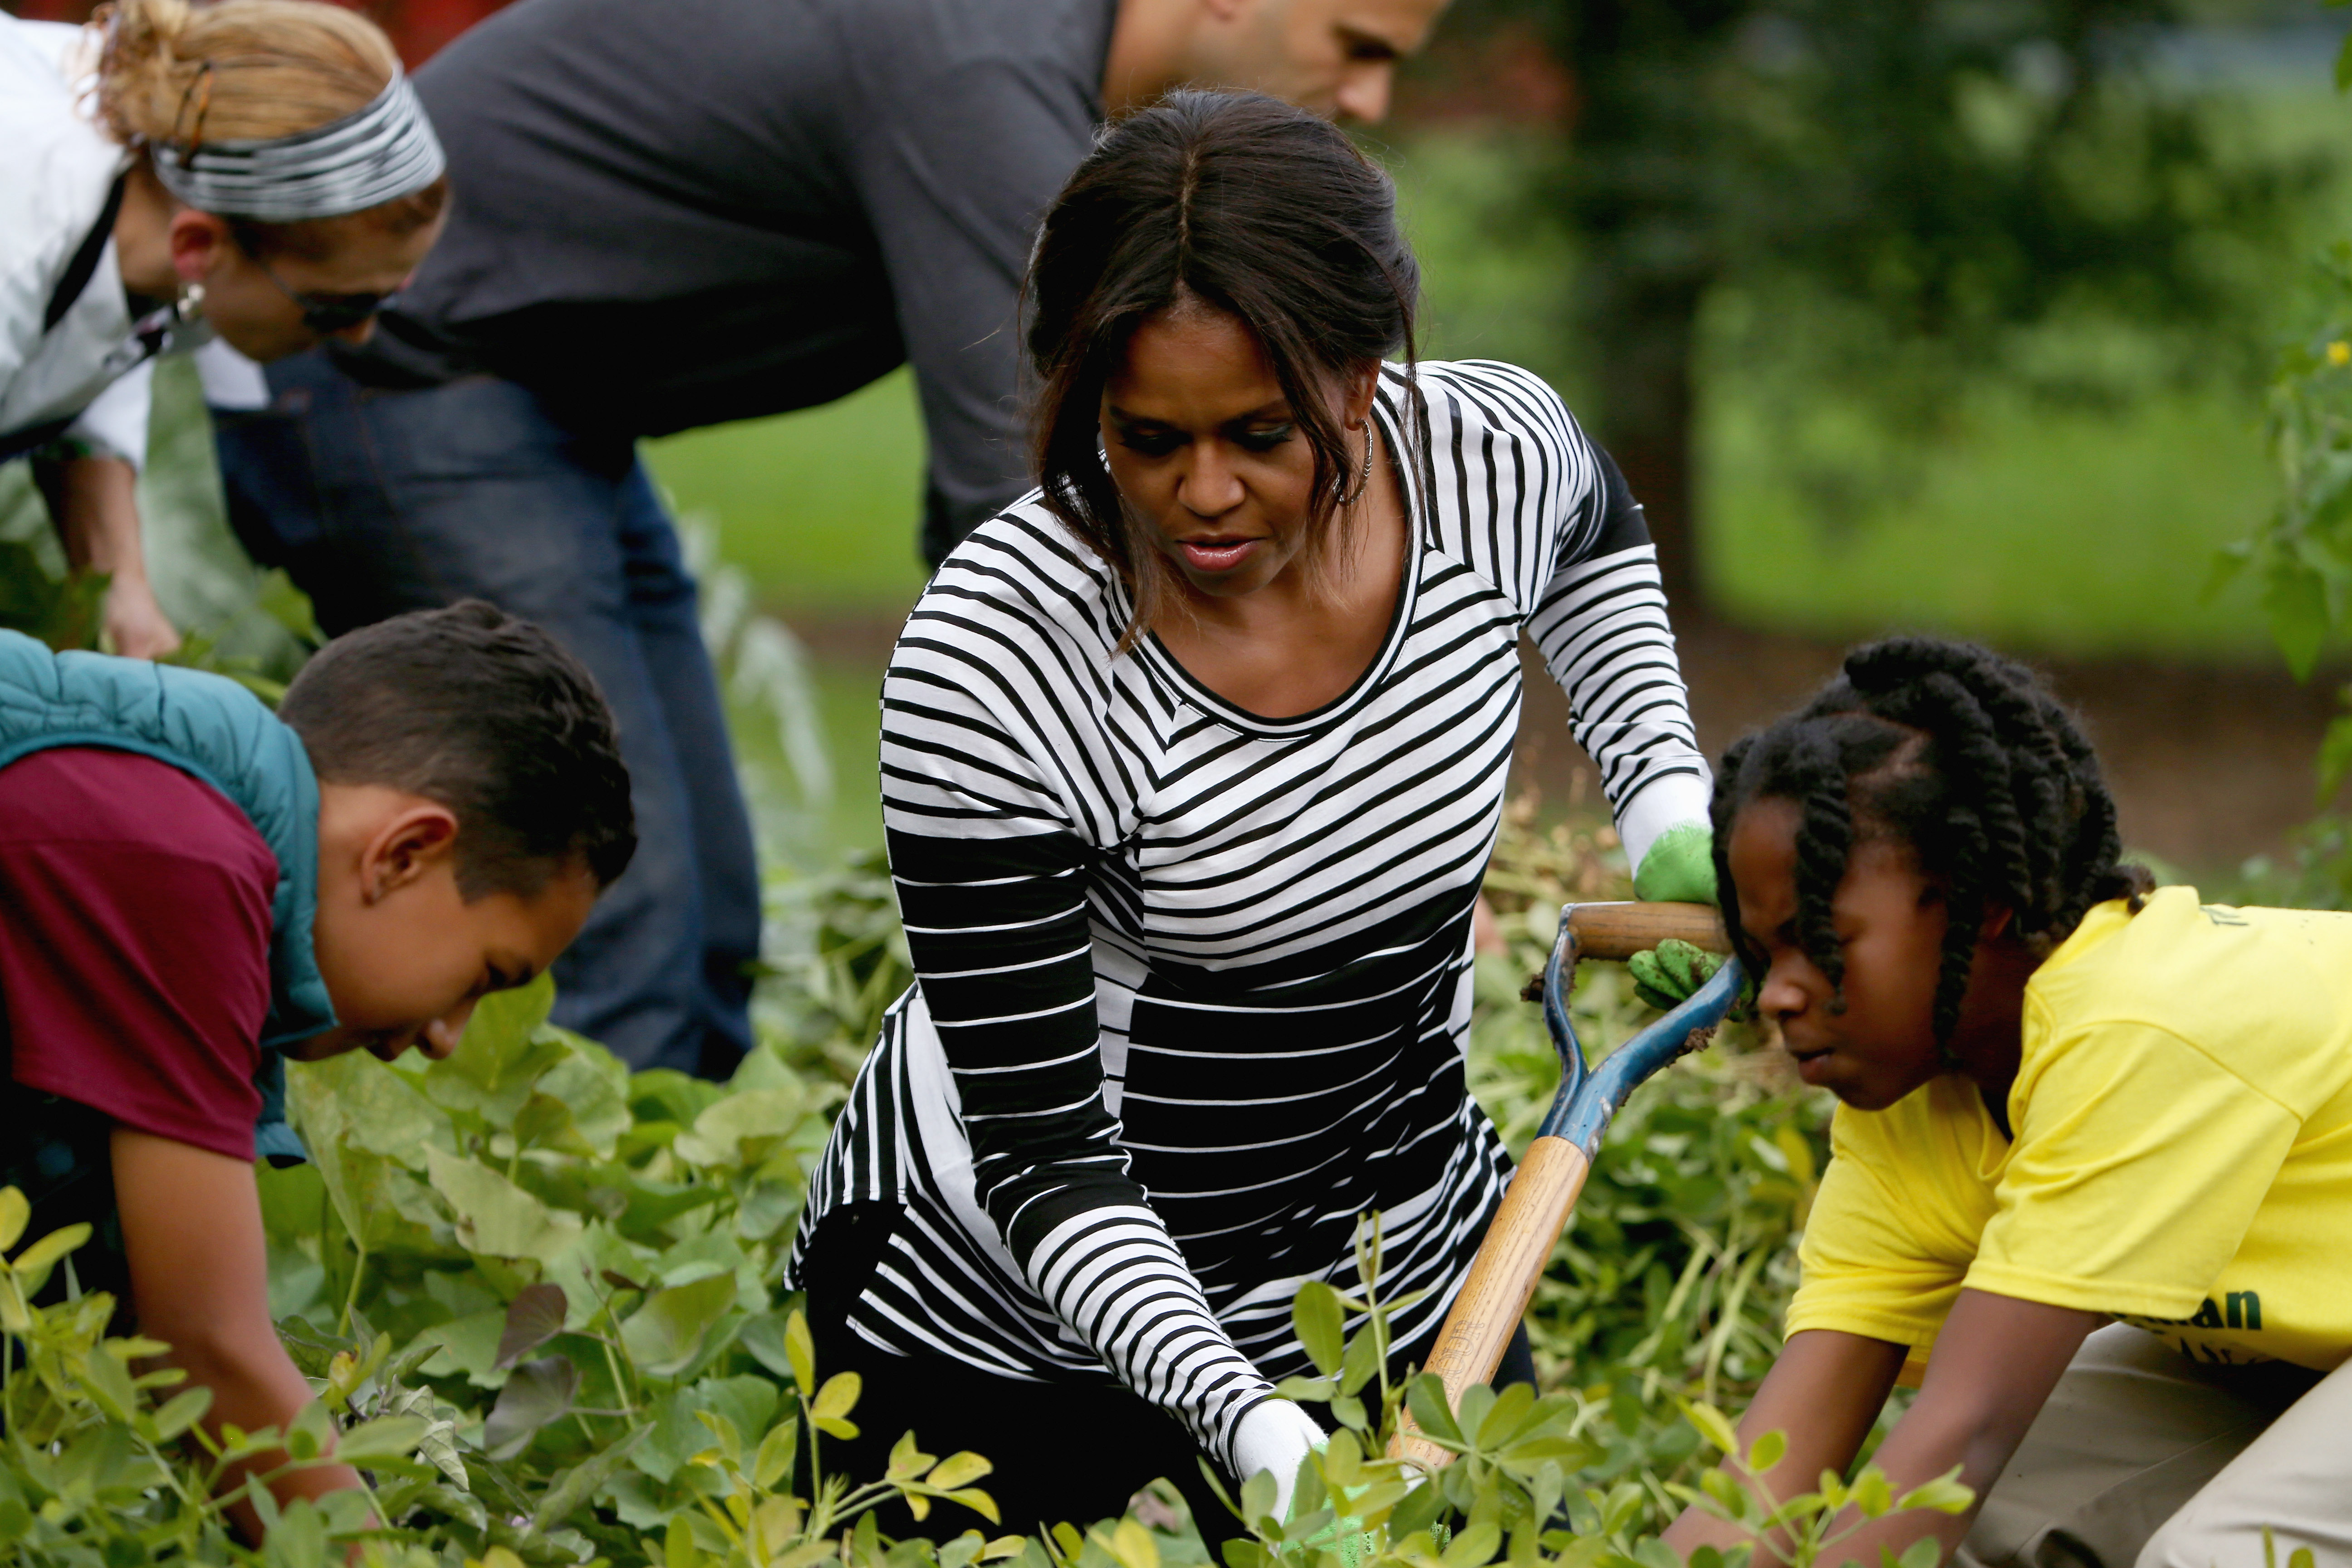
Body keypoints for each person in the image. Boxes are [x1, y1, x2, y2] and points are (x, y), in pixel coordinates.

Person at [200, 0, 1463, 1080]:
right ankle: (538, 1340)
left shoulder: (1030, 77)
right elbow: (1021, 506)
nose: (1368, 92)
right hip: (377, 358)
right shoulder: (986, 75)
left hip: (545, 405)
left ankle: (658, 1296)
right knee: (613, 927)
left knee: (703, 928)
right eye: (1357, 41)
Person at [785, 90, 1715, 1539]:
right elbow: (1042, 1152)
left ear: (1359, 373)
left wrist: (1666, 802)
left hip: (1398, 1268)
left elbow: (1594, 543)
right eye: (1146, 438)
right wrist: (1248, 1424)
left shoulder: (1489, 453)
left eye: (1264, 433)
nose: (1202, 495)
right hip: (1011, 1333)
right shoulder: (1001, 653)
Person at [1662, 636, 2352, 1568]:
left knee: (2221, 1556)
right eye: (1764, 952)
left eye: (1818, 939)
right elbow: (1771, 1480)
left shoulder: (2135, 1037)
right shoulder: (1908, 1103)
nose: (1778, 993)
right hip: (2301, 1348)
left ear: (1980, 901)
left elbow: (1966, 1431)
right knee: (2001, 1514)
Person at [0, 599, 632, 1533]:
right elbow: (204, 1350)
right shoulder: (183, 859)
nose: (448, 1036)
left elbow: (139, 1314)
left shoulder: (195, 821)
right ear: (405, 853)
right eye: (485, 977)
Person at [0, 0, 446, 659]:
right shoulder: (22, 217)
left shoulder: (167, 161)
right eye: (334, 307)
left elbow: (103, 345)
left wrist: (124, 597)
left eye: (387, 299)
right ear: (199, 247)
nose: (359, 337)